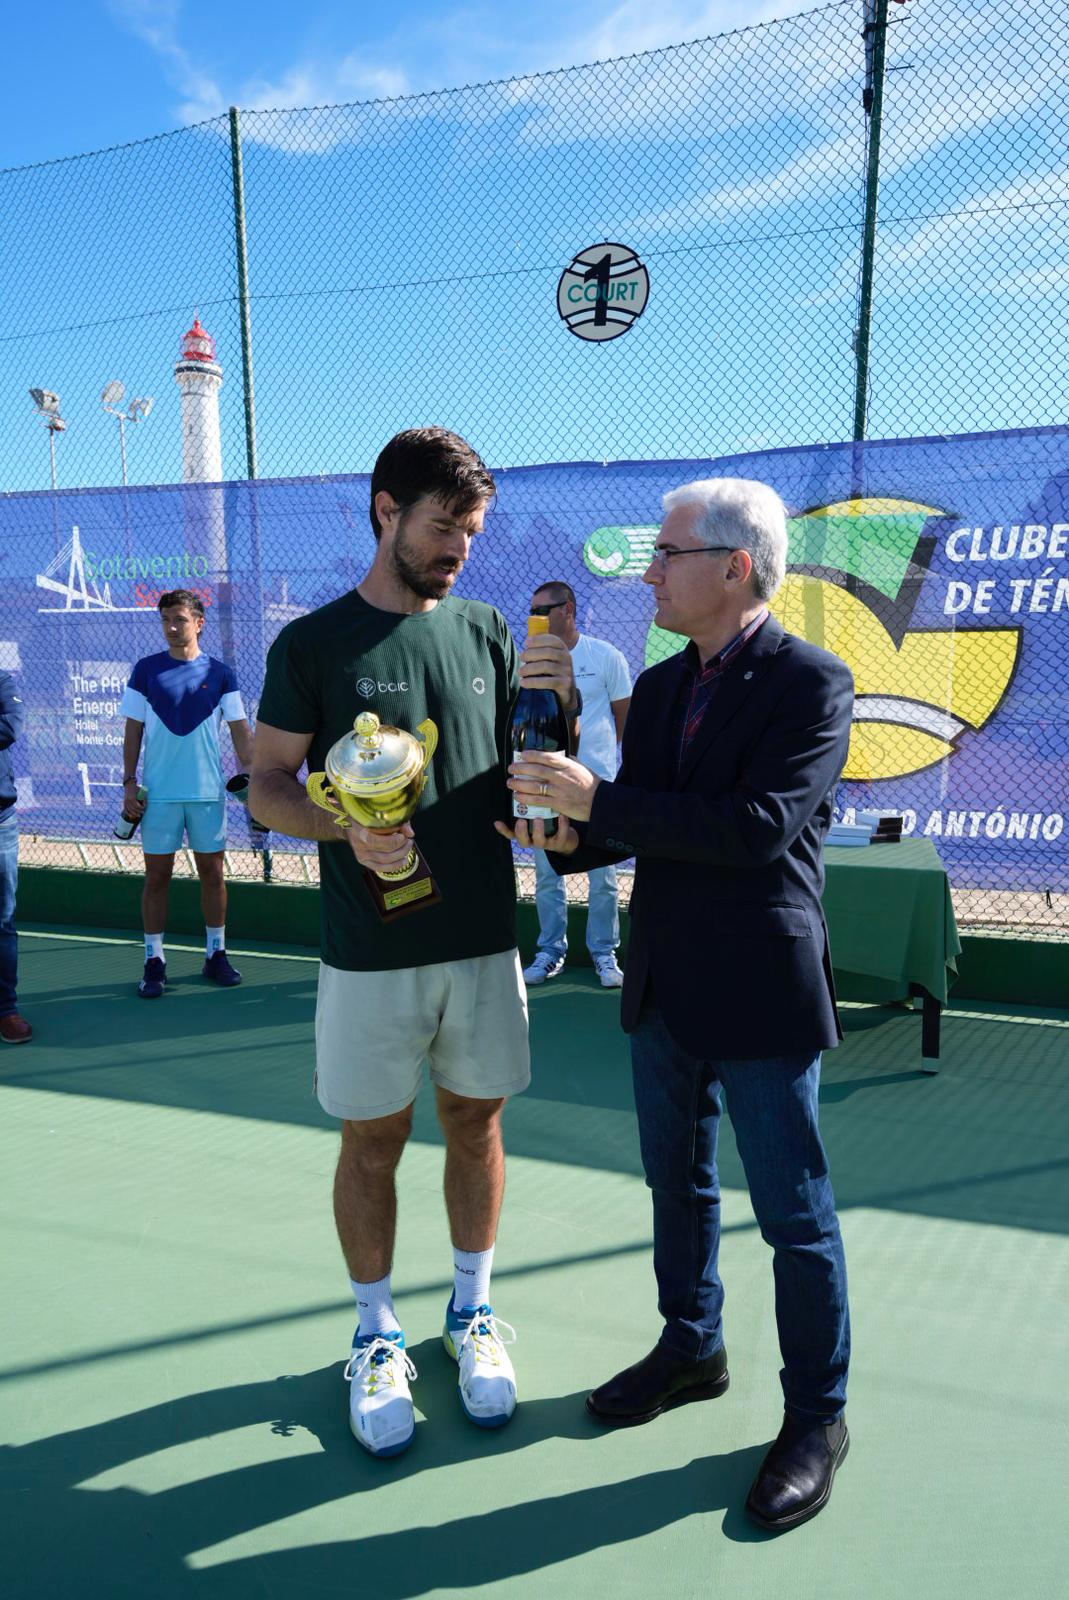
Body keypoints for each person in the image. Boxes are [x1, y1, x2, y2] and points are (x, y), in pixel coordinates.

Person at [502, 478, 854, 1533]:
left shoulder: (812, 683)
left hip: (759, 986)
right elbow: (628, 829)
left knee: (793, 1216)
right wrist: (554, 829)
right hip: (663, 980)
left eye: (665, 554)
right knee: (676, 1183)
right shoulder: (658, 690)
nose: (647, 572)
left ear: (733, 566)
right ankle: (690, 1345)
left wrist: (597, 803)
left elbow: (752, 827)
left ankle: (815, 1416)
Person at [249, 427, 578, 1459]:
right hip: (367, 950)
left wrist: (556, 714)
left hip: (483, 942)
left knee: (475, 1123)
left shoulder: (488, 633)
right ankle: (375, 1329)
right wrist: (344, 825)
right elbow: (266, 788)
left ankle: (471, 1312)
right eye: (444, 525)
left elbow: (538, 764)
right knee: (372, 1140)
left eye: (471, 532)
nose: (460, 549)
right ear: (386, 509)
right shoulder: (309, 645)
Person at [119, 590, 254, 999]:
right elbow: (133, 730)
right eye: (165, 620)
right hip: (157, 797)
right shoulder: (145, 671)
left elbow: (239, 730)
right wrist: (128, 782)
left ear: (199, 623)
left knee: (213, 874)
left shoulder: (222, 674)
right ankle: (154, 960)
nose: (171, 628)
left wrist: (251, 775)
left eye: (179, 619)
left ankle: (216, 954)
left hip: (207, 796)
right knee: (156, 877)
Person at [521, 582, 631, 990]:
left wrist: (596, 768)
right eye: (530, 609)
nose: (534, 617)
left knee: (603, 875)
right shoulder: (530, 660)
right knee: (548, 870)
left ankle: (605, 954)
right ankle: (550, 951)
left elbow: (625, 719)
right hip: (545, 785)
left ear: (568, 609)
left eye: (542, 609)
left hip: (597, 790)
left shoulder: (605, 656)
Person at [0, 669, 30, 1044]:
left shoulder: (2, 681)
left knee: (2, 920)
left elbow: (10, 727)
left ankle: (5, 1010)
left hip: (0, 821)